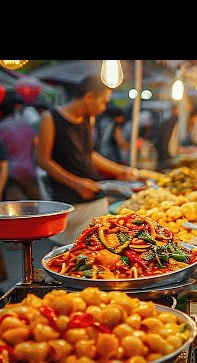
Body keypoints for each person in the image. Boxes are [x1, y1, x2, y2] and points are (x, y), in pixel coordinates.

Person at [36, 72, 140, 245]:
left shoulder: (88, 120)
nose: (104, 108)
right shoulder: (50, 119)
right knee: (70, 254)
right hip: (68, 202)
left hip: (95, 197)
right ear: (89, 97)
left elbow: (89, 155)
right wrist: (76, 183)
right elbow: (43, 160)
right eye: (103, 102)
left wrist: (122, 170)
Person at [0, 93, 42, 200]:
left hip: (11, 174)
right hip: (28, 170)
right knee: (38, 207)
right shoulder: (26, 124)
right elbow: (36, 144)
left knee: (14, 210)